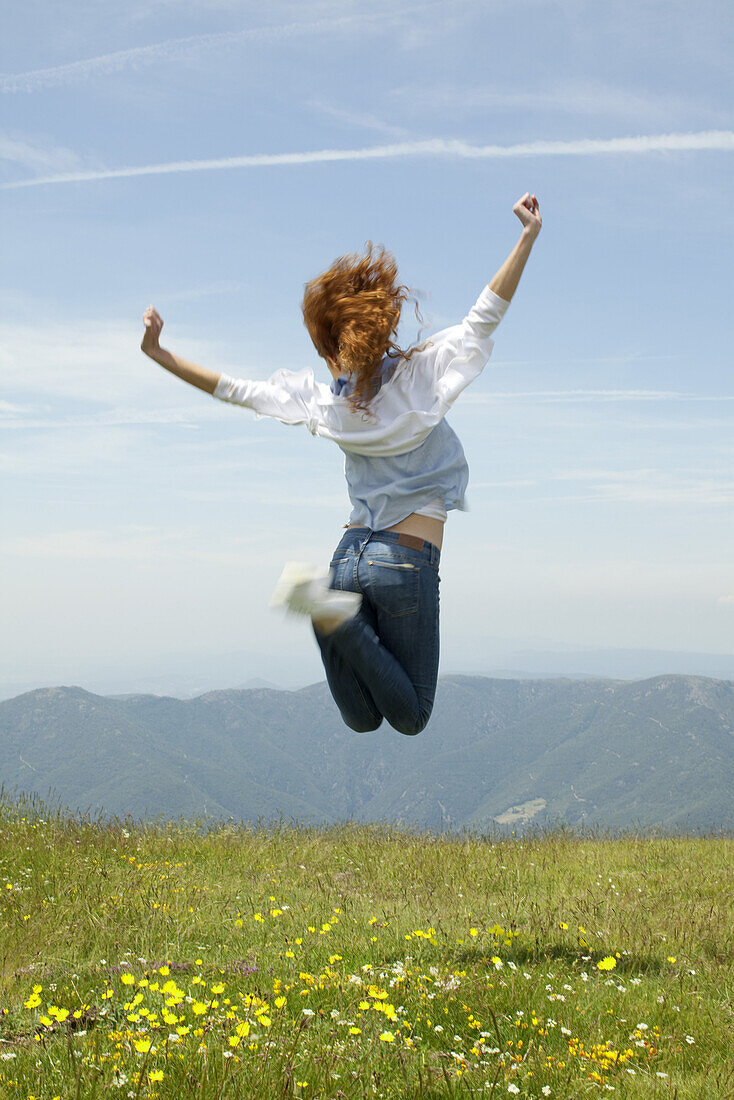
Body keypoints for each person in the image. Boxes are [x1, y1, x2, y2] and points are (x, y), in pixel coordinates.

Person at [141, 192, 542, 736]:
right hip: (403, 562)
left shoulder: (328, 408)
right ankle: (336, 618)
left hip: (348, 559)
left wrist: (161, 355)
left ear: (331, 346)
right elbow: (485, 316)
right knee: (410, 716)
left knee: (361, 720)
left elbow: (237, 391)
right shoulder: (423, 379)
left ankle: (327, 611)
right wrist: (526, 237)